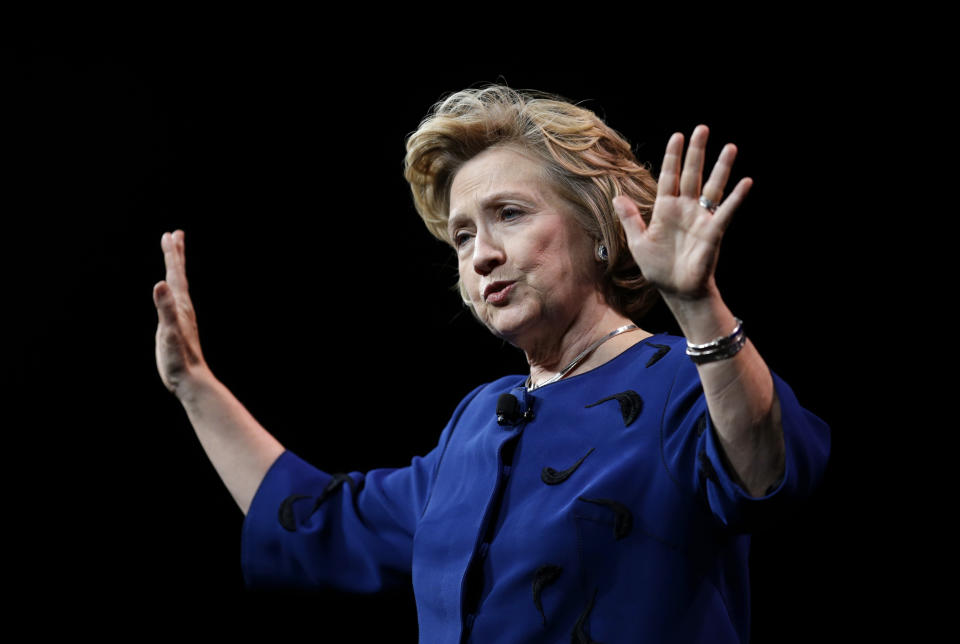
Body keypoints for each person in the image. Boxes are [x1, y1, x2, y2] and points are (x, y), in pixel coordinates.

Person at [153, 85, 830, 643]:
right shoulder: (477, 424)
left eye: (508, 214)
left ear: (600, 232)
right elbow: (324, 526)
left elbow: (768, 471)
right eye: (462, 235)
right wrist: (194, 388)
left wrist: (699, 306)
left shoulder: (680, 378)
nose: (479, 255)